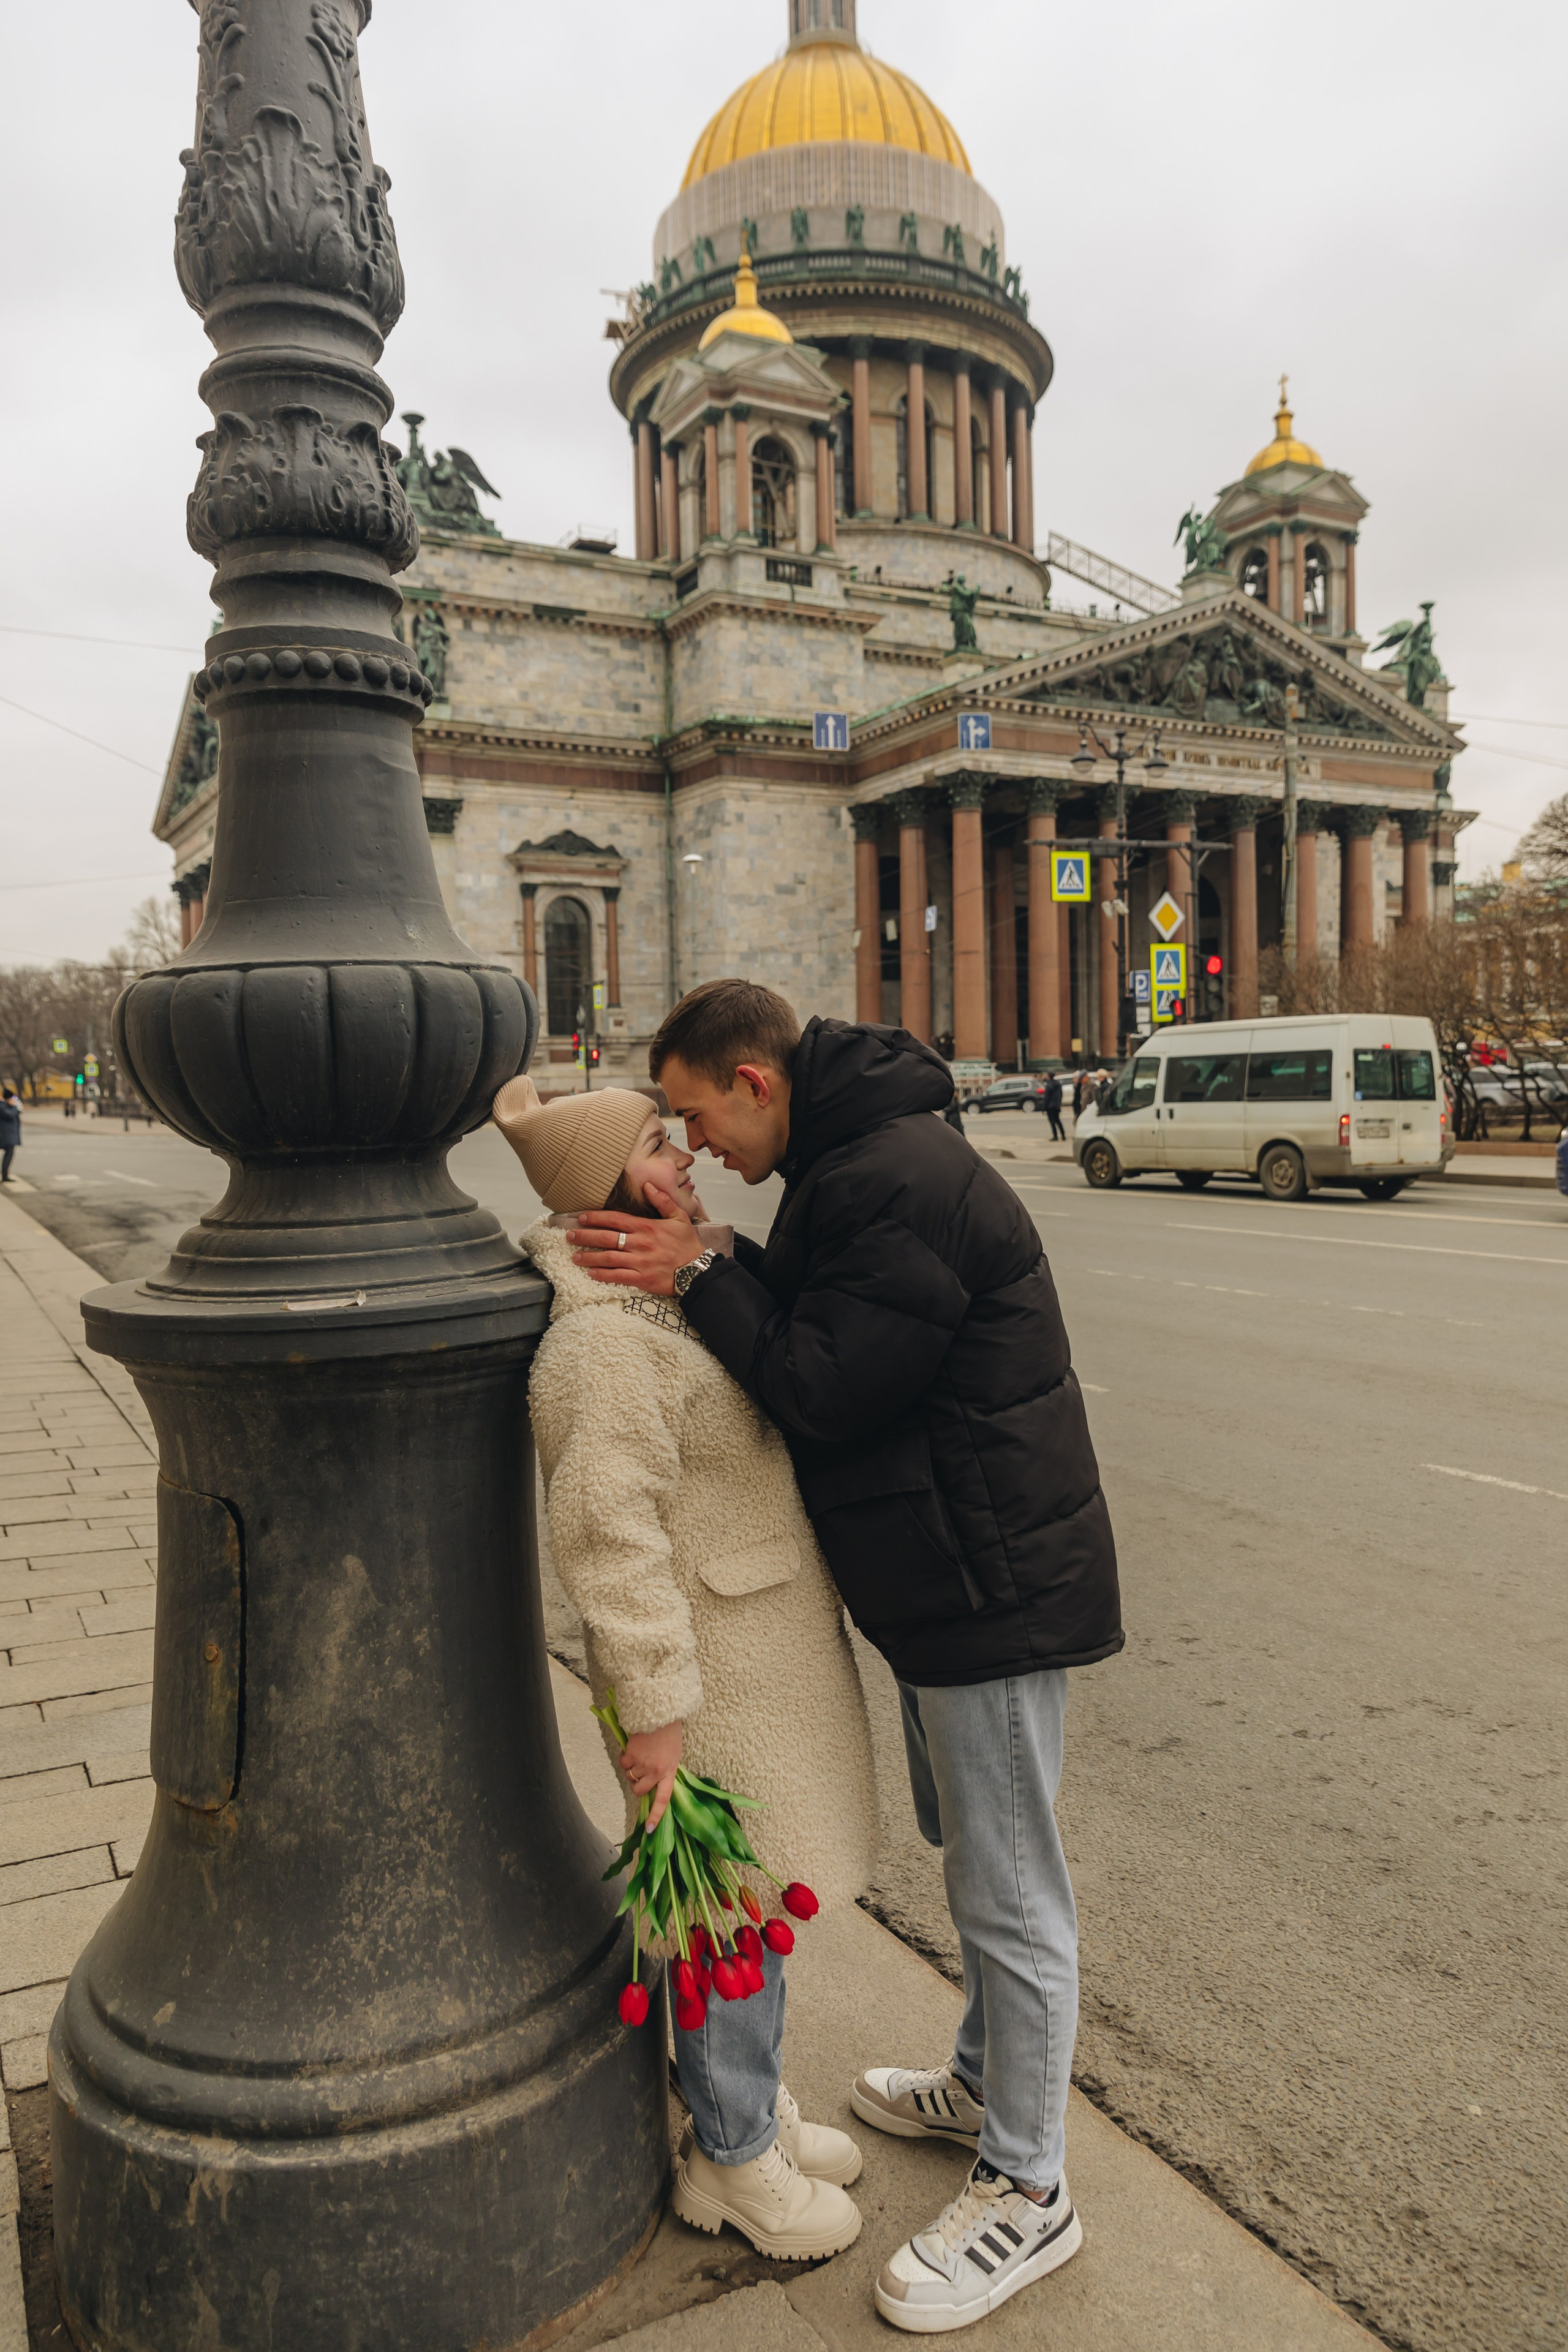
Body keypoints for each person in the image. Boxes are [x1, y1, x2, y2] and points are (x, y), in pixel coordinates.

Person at [567, 981, 1122, 2336]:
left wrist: (698, 1269)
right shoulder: (854, 1159)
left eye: (694, 1118)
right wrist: (719, 1258)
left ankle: (1027, 2190)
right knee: (979, 1864)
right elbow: (831, 1322)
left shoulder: (892, 1177)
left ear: (755, 1083)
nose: (691, 1150)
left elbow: (819, 1383)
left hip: (983, 1589)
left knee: (1007, 1892)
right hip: (948, 1580)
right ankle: (989, 2084)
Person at [491, 1075, 878, 2266]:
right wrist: (652, 1717)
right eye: (661, 1149)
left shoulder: (653, 1306)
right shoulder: (600, 1344)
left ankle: (743, 2111)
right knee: (721, 1919)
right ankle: (732, 2156)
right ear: (603, 1188)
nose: (685, 1160)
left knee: (747, 1912)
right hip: (700, 1691)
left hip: (744, 1667)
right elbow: (609, 1543)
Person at [0, 1087, 20, 1183]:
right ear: (9, 1098)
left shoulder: (6, 1106)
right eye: (13, 1098)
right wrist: (13, 1106)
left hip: (9, 1136)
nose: (14, 1100)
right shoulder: (3, 1107)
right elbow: (11, 1115)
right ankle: (5, 1176)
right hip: (6, 1136)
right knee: (9, 1154)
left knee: (9, 1154)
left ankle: (5, 1175)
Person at [1042, 1071, 1066, 1141]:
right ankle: (1063, 1135)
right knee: (1058, 1120)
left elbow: (1047, 1097)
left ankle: (1055, 1136)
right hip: (1056, 1105)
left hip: (1050, 1106)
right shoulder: (1058, 1084)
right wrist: (1059, 1104)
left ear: (1049, 1076)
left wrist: (1044, 1108)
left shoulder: (1049, 1085)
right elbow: (1061, 1095)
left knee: (1052, 1122)